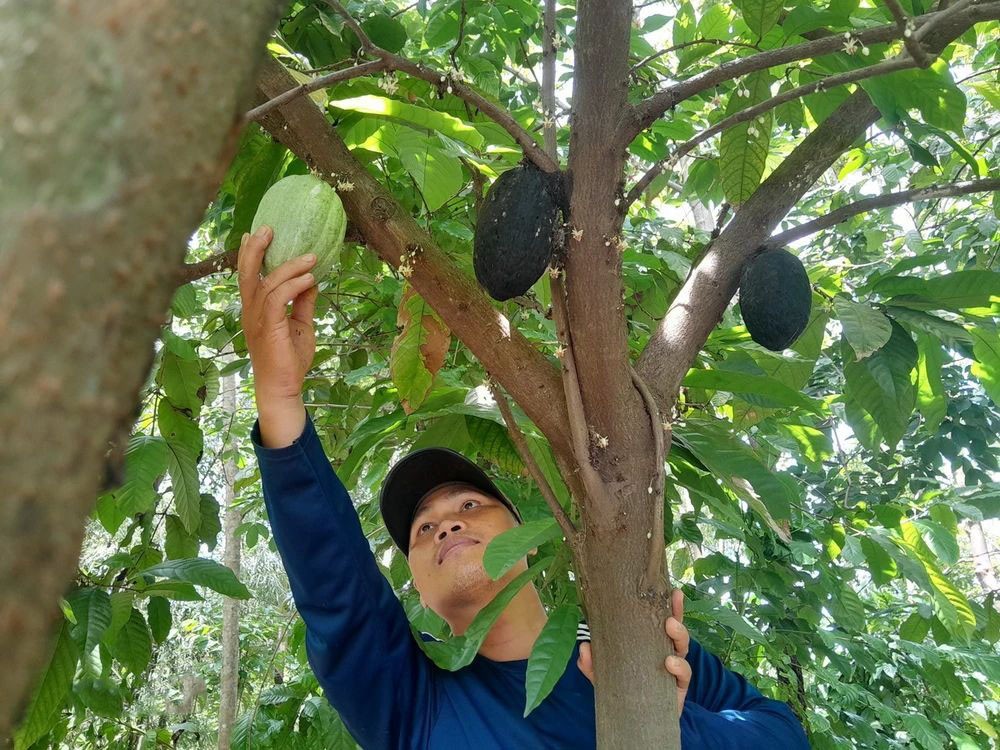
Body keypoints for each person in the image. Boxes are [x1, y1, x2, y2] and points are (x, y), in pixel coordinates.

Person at [238, 224, 811, 749]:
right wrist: (280, 399)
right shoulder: (415, 702)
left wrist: (680, 727)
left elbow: (784, 734)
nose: (447, 525)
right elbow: (337, 592)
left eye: (469, 504)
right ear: (416, 586)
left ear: (528, 539)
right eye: (423, 529)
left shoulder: (637, 643)